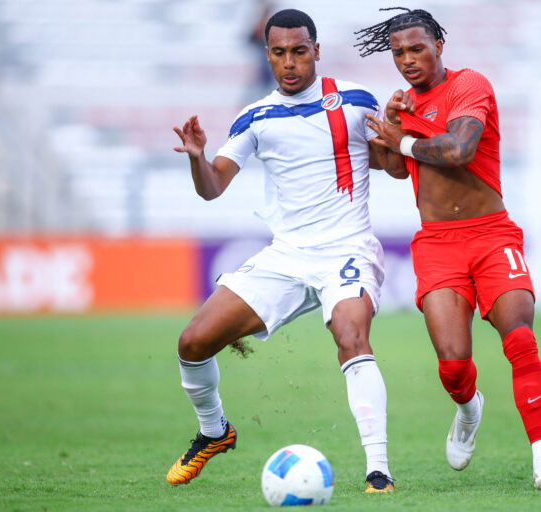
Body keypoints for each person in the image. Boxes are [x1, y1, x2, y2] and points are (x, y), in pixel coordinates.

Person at [168, 8, 394, 493]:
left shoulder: (355, 100)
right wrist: (197, 158)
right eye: (278, 53)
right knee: (192, 343)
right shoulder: (255, 116)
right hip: (287, 256)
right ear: (267, 55)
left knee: (352, 336)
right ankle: (214, 432)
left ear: (316, 51)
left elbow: (391, 164)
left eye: (298, 51)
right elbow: (212, 189)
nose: (289, 62)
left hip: (346, 248)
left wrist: (396, 140)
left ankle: (379, 470)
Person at [355, 7, 541, 491]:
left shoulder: (470, 85)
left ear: (439, 46)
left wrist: (402, 142)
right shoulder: (404, 103)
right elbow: (396, 169)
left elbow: (458, 150)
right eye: (398, 53)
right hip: (437, 245)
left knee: (520, 340)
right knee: (452, 364)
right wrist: (387, 134)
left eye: (417, 49)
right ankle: (469, 408)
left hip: (492, 235)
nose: (408, 60)